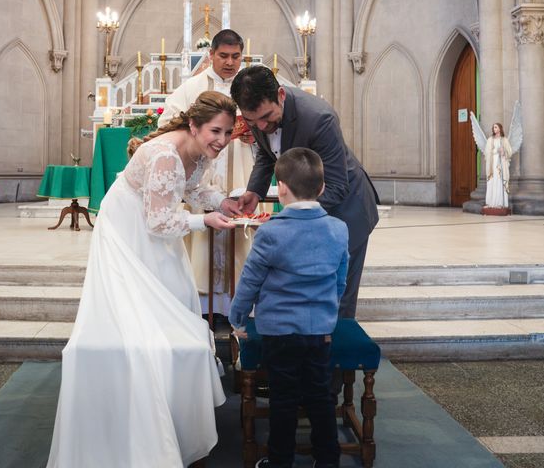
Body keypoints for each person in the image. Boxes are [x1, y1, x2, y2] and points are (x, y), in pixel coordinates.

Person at [46, 91, 238, 468]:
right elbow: (159, 221)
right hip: (129, 228)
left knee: (174, 302)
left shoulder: (197, 149)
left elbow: (192, 188)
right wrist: (205, 220)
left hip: (154, 222)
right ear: (194, 125)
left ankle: (174, 401)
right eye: (216, 130)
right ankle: (143, 400)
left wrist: (223, 203)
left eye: (228, 132)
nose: (223, 139)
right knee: (139, 316)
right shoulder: (165, 154)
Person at [229, 148, 349, 468]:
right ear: (322, 188)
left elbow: (249, 283)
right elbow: (340, 280)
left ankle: (279, 461)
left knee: (283, 400)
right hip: (319, 330)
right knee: (320, 397)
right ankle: (328, 460)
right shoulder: (339, 229)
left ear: (280, 187)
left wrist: (237, 318)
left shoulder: (270, 231)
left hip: (279, 332)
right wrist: (329, 312)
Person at [229, 65, 379, 320]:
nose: (262, 126)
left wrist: (294, 219)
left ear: (281, 95)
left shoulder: (319, 118)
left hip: (346, 209)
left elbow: (337, 186)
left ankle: (337, 352)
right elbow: (268, 155)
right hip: (311, 207)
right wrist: (255, 191)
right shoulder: (258, 117)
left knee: (336, 294)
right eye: (253, 121)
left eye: (266, 117)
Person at [158, 29, 256, 317]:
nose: (229, 62)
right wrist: (197, 131)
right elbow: (167, 121)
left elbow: (270, 123)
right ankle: (202, 306)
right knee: (202, 238)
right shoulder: (193, 86)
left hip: (239, 170)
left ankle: (236, 304)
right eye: (223, 56)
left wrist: (254, 132)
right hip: (202, 174)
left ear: (242, 56)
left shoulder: (249, 87)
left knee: (240, 231)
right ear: (211, 54)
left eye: (236, 56)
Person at [485, 122, 513, 208]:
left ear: (500, 128)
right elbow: (487, 152)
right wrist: (495, 151)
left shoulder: (504, 140)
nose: (494, 129)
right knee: (492, 181)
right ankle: (490, 203)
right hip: (493, 163)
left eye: (496, 127)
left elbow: (510, 152)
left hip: (501, 164)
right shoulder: (490, 140)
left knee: (499, 181)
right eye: (493, 128)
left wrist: (503, 151)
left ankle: (500, 203)